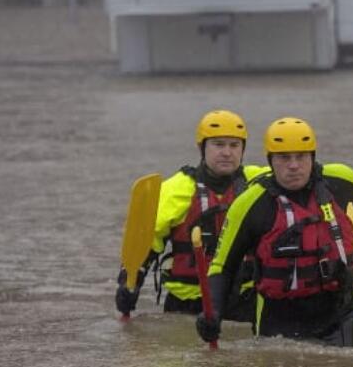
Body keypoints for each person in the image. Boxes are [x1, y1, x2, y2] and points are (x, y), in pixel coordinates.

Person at [195, 117, 353, 347]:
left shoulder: (339, 179)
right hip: (277, 318)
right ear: (270, 160)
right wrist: (213, 312)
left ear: (312, 157)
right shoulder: (250, 203)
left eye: (301, 157)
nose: (294, 166)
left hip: (339, 313)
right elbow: (222, 266)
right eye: (284, 158)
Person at [114, 109, 266, 321]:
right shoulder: (176, 189)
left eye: (234, 145)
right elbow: (148, 243)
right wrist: (129, 283)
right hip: (188, 303)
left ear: (243, 149)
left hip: (243, 300)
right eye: (218, 144)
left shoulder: (259, 182)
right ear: (201, 147)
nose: (227, 152)